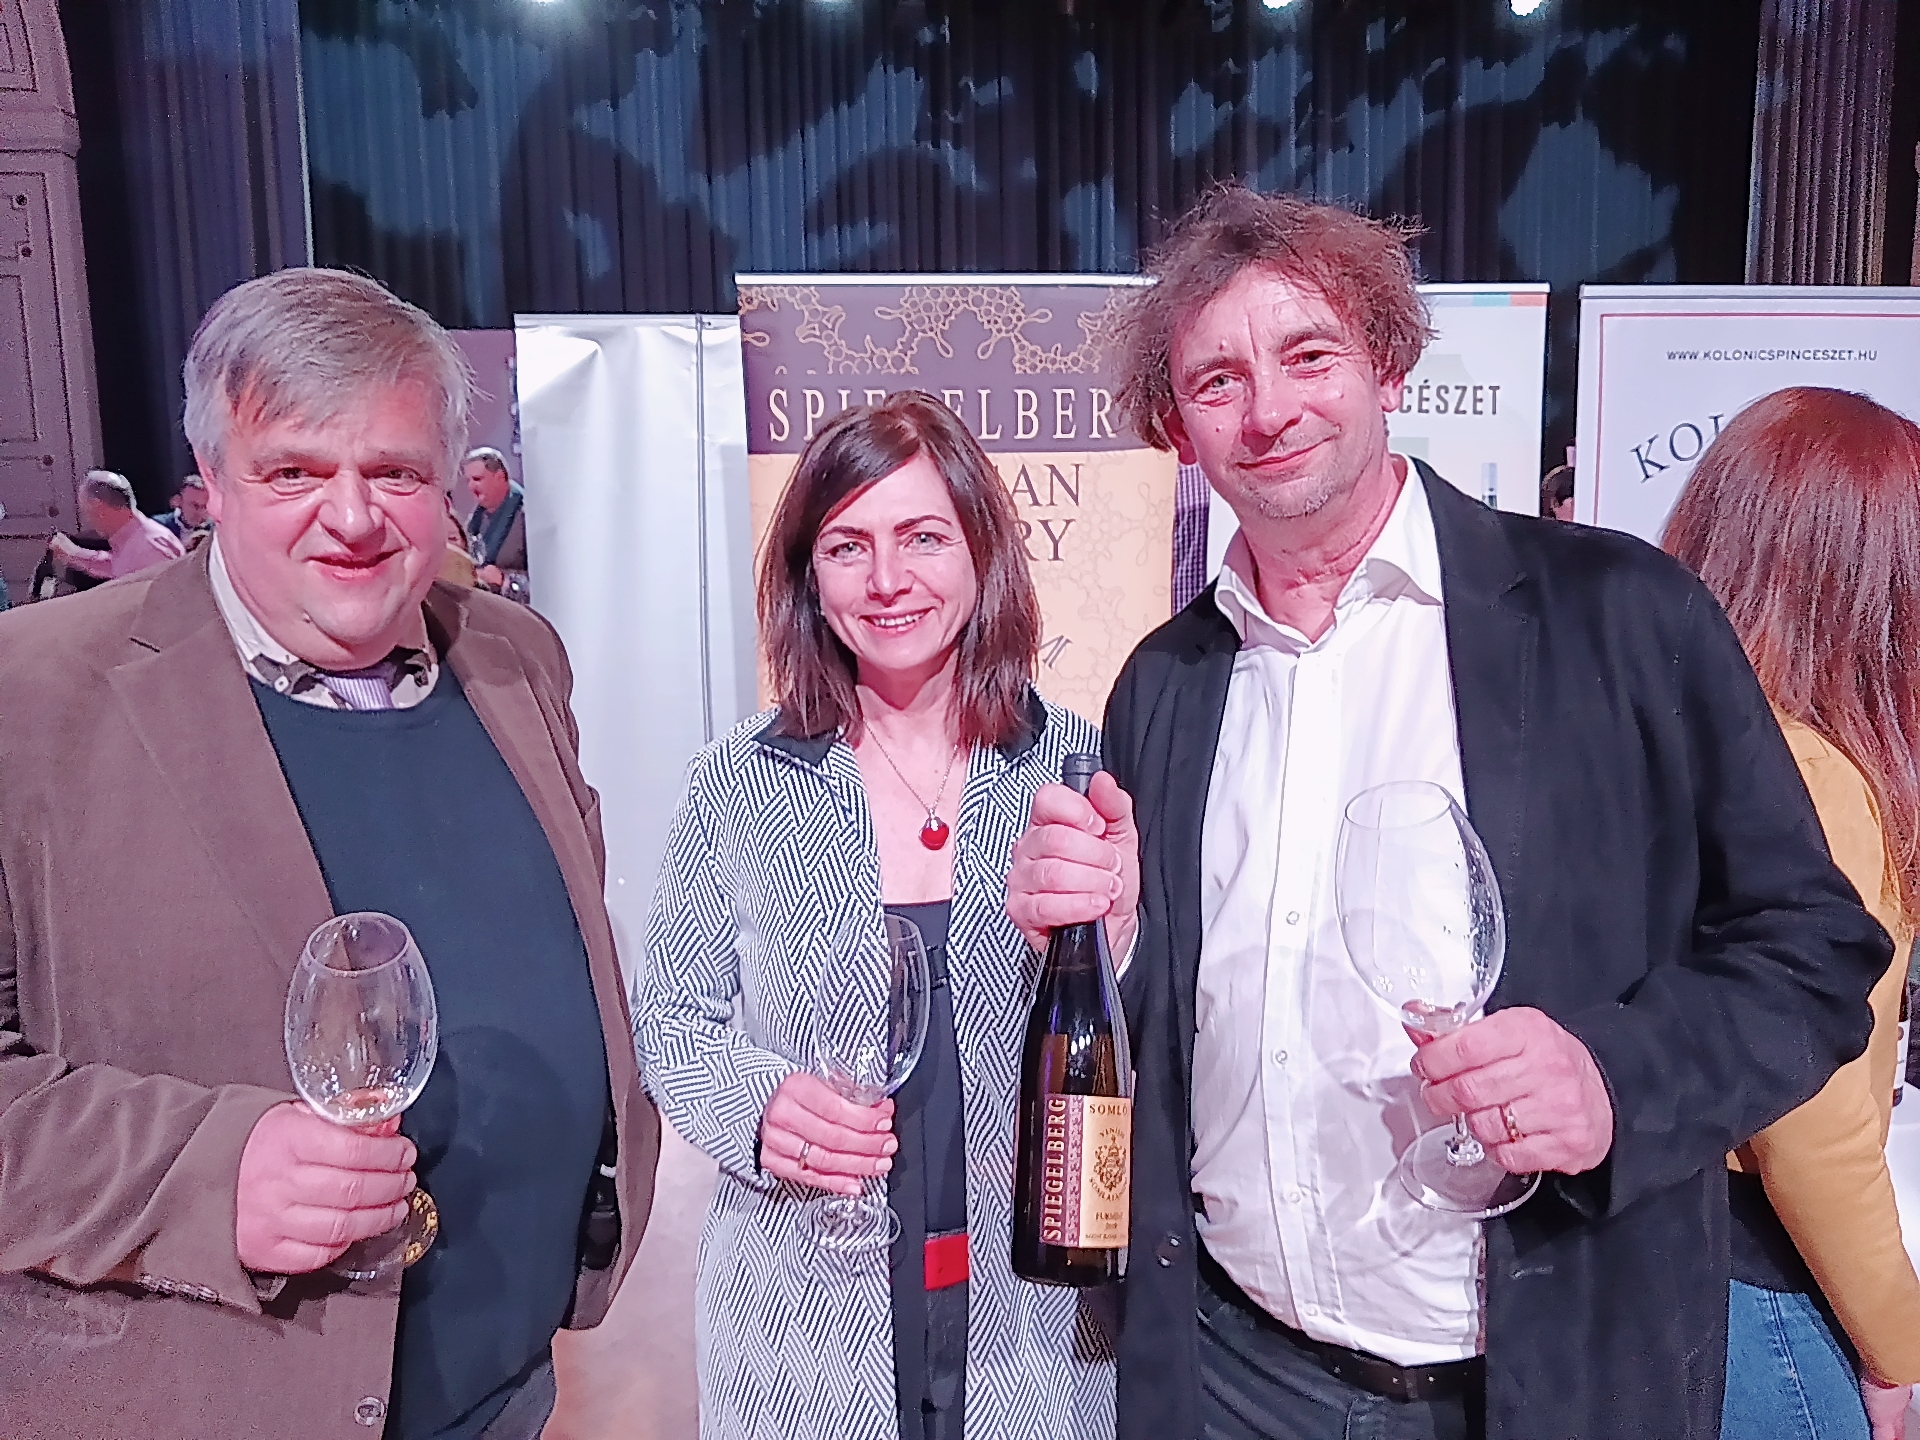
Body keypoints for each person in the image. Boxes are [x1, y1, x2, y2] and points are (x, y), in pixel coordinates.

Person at [1003, 185, 1887, 1440]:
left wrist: (1613, 1076)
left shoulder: (1619, 617)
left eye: (1309, 355)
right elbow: (1177, 1021)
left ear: (1389, 363)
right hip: (1233, 1374)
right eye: (1217, 381)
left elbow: (1815, 952)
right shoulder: (1166, 681)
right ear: (1177, 428)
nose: (1269, 410)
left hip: (1542, 1382)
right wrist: (1107, 940)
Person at [0, 267, 660, 1440]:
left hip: (509, 1391)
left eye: (393, 472)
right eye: (294, 472)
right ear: (210, 484)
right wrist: (204, 1174)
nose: (352, 520)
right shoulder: (33, 698)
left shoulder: (516, 659)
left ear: (448, 486)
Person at [635, 391, 1116, 1440]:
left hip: (1035, 1321)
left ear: (982, 552)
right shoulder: (738, 781)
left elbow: (1150, 1022)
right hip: (803, 1321)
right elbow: (667, 1020)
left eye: (923, 538)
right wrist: (757, 1106)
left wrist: (1119, 942)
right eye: (848, 546)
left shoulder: (1079, 767)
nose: (888, 579)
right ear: (808, 575)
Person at [1663, 387, 1920, 1440]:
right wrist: (1899, 1347)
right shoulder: (1817, 780)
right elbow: (1810, 1117)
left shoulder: (1648, 737)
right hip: (1764, 1298)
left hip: (1634, 1274)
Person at [49, 469, 185, 580]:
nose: (88, 521)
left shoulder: (149, 549)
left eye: (87, 512)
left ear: (100, 508)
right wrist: (73, 554)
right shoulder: (136, 539)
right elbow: (119, 566)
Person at [462, 446, 527, 597]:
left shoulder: (527, 518)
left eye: (477, 479)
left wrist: (505, 580)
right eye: (468, 480)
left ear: (500, 477)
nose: (471, 486)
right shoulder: (474, 521)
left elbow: (549, 577)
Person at [159, 473, 217, 549]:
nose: (201, 512)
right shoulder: (159, 526)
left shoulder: (216, 530)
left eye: (205, 506)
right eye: (195, 505)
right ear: (177, 501)